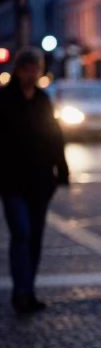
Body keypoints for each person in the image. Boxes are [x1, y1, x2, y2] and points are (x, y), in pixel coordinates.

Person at [0, 47, 69, 314]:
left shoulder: (42, 99)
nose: (32, 74)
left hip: (40, 180)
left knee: (35, 237)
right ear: (19, 70)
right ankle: (21, 291)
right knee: (22, 234)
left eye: (36, 69)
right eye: (28, 69)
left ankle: (29, 289)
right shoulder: (5, 99)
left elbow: (54, 136)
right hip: (12, 180)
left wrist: (61, 171)